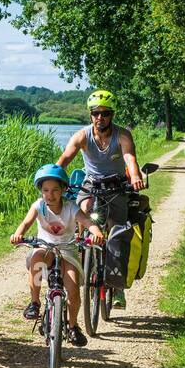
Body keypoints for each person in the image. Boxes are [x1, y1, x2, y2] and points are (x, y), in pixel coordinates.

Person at [56, 89, 144, 308]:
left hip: (116, 187)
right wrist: (54, 178)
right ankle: (80, 255)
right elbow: (65, 158)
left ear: (111, 115)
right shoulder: (82, 136)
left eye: (104, 113)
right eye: (96, 113)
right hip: (91, 185)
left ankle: (119, 289)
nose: (100, 118)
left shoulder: (122, 135)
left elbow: (129, 158)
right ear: (90, 114)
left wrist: (134, 176)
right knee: (81, 213)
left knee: (117, 233)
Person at [10, 164, 103, 347]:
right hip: (45, 247)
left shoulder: (70, 207)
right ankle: (34, 303)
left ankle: (73, 326)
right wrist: (18, 234)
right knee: (37, 259)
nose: (49, 195)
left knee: (73, 287)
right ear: (41, 191)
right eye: (45, 190)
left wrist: (96, 232)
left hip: (67, 249)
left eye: (54, 190)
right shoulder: (38, 206)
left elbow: (85, 220)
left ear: (63, 190)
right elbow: (26, 223)